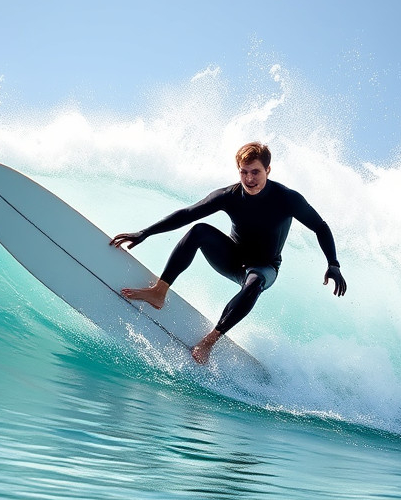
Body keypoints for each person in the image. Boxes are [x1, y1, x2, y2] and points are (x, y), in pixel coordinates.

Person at [109, 142, 346, 365]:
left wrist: (333, 264)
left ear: (268, 170)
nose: (249, 179)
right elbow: (187, 213)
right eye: (244, 172)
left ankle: (210, 340)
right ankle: (159, 292)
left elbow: (320, 226)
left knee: (255, 282)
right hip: (233, 258)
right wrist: (144, 233)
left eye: (255, 172)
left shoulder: (287, 199)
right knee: (199, 230)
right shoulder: (229, 195)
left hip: (264, 267)